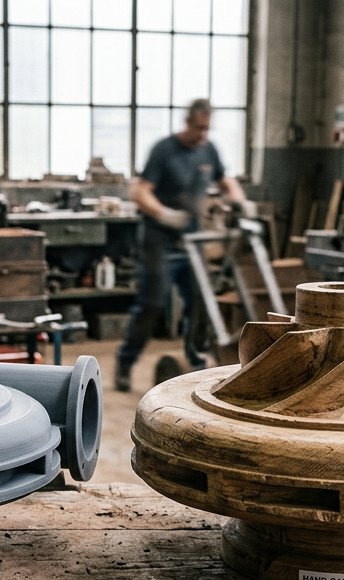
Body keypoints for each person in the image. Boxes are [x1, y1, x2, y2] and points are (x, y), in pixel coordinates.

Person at [116, 99, 252, 392]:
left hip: (193, 241)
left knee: (200, 303)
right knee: (151, 305)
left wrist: (241, 202)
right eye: (198, 128)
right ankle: (125, 363)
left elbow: (226, 180)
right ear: (187, 122)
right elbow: (140, 192)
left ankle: (194, 361)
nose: (202, 134)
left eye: (207, 128)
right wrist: (164, 214)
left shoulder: (209, 149)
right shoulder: (164, 150)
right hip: (160, 241)